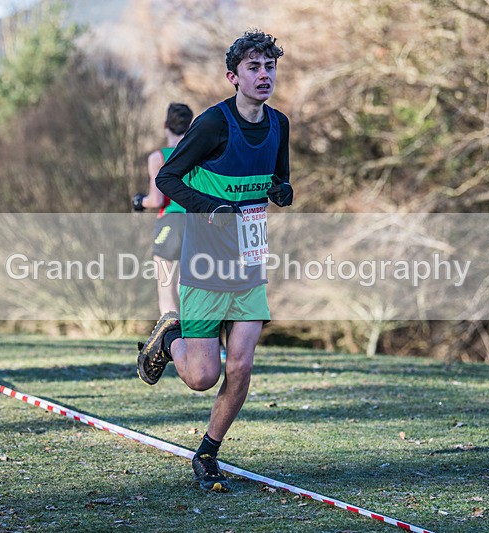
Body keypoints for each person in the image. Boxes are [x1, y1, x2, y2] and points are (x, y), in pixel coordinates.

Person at [137, 30, 293, 492]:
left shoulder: (279, 124)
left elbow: (278, 179)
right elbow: (167, 177)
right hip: (205, 263)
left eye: (269, 67)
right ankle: (169, 340)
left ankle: (207, 452)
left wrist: (281, 191)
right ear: (234, 76)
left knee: (241, 365)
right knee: (203, 377)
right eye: (254, 68)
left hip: (250, 261)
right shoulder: (212, 125)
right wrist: (209, 207)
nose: (264, 75)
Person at [132, 103, 194, 314]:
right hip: (196, 222)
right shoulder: (199, 156)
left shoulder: (158, 158)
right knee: (188, 287)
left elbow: (156, 200)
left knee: (165, 286)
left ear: (165, 125)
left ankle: (171, 343)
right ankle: (199, 341)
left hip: (170, 221)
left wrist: (140, 201)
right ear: (190, 126)